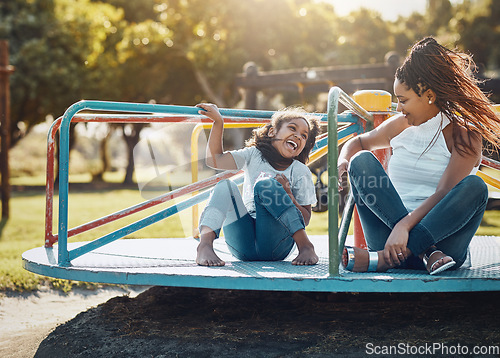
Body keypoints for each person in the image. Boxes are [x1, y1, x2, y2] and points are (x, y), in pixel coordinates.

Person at [338, 37, 500, 275]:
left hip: (445, 247)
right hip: (391, 239)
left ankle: (384, 260)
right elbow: (359, 142)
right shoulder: (399, 125)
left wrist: (405, 226)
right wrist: (343, 161)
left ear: (428, 94)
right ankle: (424, 252)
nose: (398, 108)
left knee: (475, 187)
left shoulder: (465, 134)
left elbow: (444, 193)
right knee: (361, 161)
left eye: (403, 100)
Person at [195, 103, 321, 266]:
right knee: (224, 186)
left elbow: (306, 218)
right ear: (272, 132)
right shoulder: (254, 155)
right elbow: (215, 160)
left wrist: (288, 194)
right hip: (243, 245)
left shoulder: (300, 171)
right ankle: (204, 245)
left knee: (266, 185)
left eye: (304, 136)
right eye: (292, 128)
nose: (298, 136)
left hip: (276, 245)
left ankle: (305, 246)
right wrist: (218, 122)